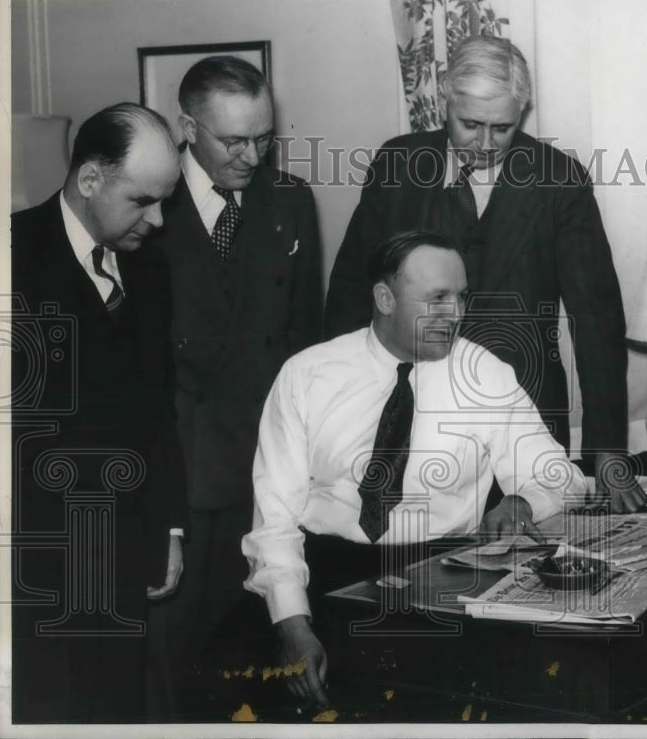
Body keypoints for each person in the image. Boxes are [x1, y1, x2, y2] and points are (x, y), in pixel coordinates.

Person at [242, 231, 592, 710]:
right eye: (437, 299)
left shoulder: (485, 374)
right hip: (329, 578)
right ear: (384, 299)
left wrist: (523, 500)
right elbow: (275, 518)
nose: (456, 314)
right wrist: (292, 623)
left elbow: (560, 476)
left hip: (444, 579)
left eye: (461, 297)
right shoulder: (307, 375)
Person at [323, 35, 643, 513]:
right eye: (470, 124)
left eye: (503, 128)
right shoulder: (397, 166)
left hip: (526, 424)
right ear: (444, 102)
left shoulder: (560, 179)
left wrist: (609, 452)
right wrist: (338, 411)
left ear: (523, 111)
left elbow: (595, 318)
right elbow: (351, 292)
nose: (486, 144)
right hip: (409, 421)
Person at [146, 55, 323, 718]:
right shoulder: (146, 212)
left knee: (254, 671)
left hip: (270, 478)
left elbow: (306, 348)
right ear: (187, 127)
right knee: (173, 666)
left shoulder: (290, 203)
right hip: (185, 486)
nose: (252, 155)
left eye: (263, 137)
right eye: (233, 140)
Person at [10, 102, 187, 722]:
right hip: (32, 560)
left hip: (124, 552)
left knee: (114, 710)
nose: (159, 219)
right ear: (90, 180)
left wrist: (167, 528)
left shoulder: (150, 267)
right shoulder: (12, 256)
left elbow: (158, 409)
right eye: (143, 200)